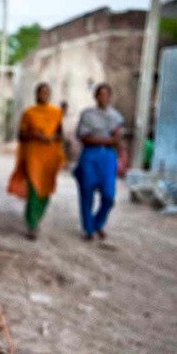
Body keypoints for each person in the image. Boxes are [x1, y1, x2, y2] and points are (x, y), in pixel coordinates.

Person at [7, 83, 65, 240]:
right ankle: (32, 224)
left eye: (47, 92)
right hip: (32, 156)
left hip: (50, 157)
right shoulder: (29, 113)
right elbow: (21, 135)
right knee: (34, 188)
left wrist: (51, 138)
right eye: (41, 92)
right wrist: (35, 136)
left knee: (45, 189)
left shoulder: (56, 113)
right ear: (36, 94)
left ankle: (37, 217)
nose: (44, 95)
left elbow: (60, 134)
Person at [74, 83, 124, 241]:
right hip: (90, 155)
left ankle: (98, 223)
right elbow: (83, 137)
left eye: (107, 94)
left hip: (108, 157)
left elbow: (118, 138)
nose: (104, 97)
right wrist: (108, 139)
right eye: (101, 94)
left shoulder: (116, 117)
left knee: (109, 195)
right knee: (86, 192)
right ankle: (88, 229)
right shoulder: (87, 115)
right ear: (95, 96)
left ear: (110, 97)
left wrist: (117, 147)